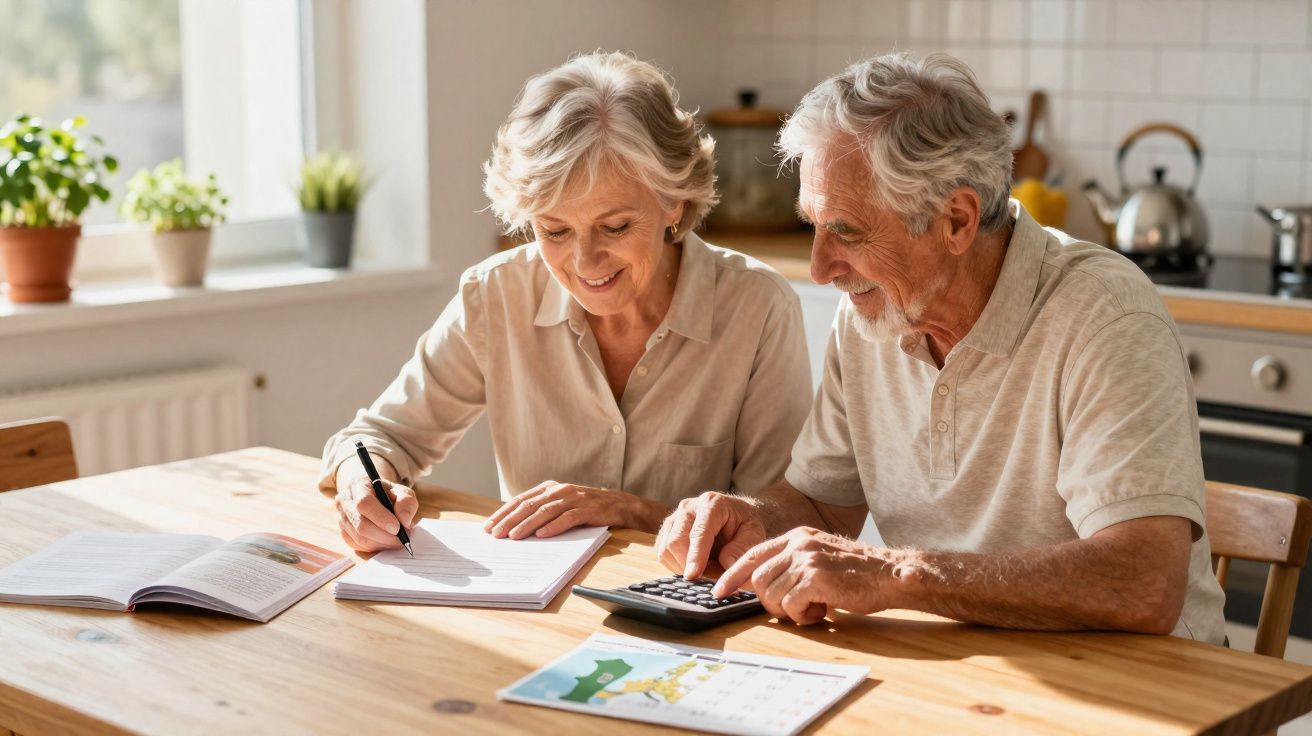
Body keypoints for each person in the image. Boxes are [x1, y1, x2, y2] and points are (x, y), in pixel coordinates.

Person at [656, 53, 1226, 643]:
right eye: (813, 227)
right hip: (980, 670)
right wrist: (751, 518)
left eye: (846, 231)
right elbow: (822, 505)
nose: (821, 269)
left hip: (1146, 691)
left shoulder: (1105, 316)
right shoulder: (871, 314)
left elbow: (1143, 583)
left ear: (956, 220)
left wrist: (902, 573)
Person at [321, 51, 811, 553]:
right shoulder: (496, 294)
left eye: (615, 226)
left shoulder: (758, 308)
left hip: (697, 614)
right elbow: (377, 438)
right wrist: (364, 486)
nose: (585, 262)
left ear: (674, 202)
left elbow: (780, 518)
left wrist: (629, 510)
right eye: (554, 230)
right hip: (537, 611)